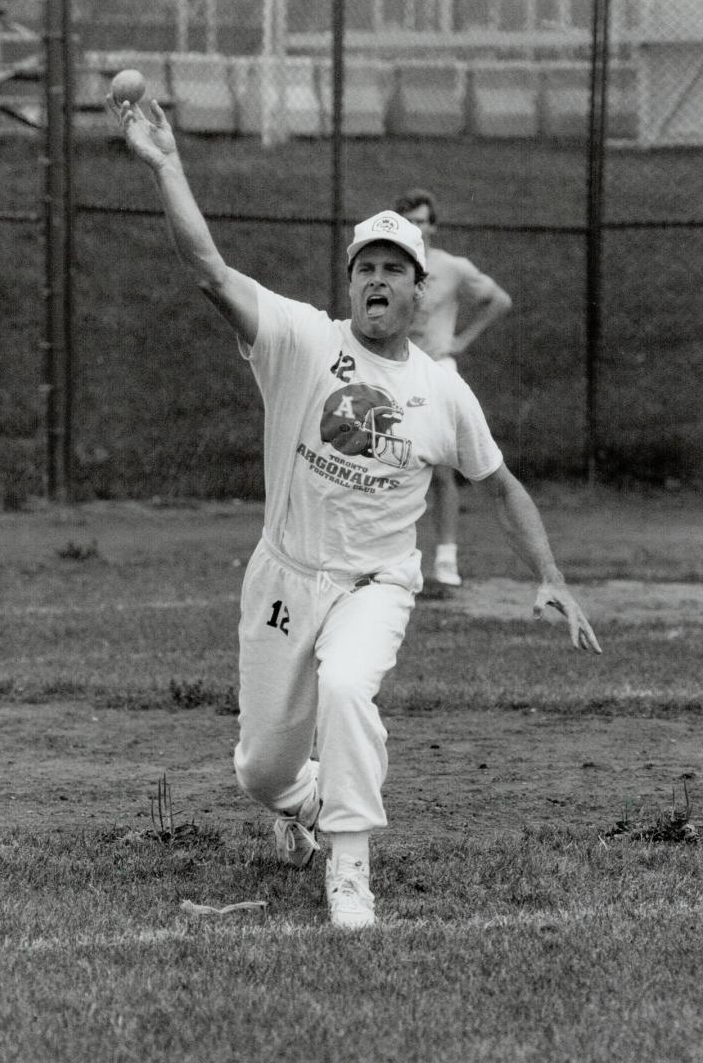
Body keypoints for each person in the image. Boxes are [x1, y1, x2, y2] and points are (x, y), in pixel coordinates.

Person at [108, 96, 602, 931]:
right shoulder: (302, 341)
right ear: (350, 285)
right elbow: (211, 270)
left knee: (345, 688)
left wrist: (548, 575)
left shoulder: (440, 390)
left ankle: (350, 869)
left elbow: (499, 483)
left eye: (393, 268)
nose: (376, 279)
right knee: (262, 774)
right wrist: (167, 167)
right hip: (283, 574)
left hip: (375, 582)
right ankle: (305, 806)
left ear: (419, 288)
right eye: (363, 267)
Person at [394, 188, 512, 589]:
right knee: (385, 464)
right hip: (392, 372)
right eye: (408, 221)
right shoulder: (388, 266)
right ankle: (390, 559)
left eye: (422, 221)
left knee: (441, 470)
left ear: (433, 226)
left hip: (436, 373)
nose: (416, 228)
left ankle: (445, 560)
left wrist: (461, 341)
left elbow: (499, 300)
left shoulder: (452, 267)